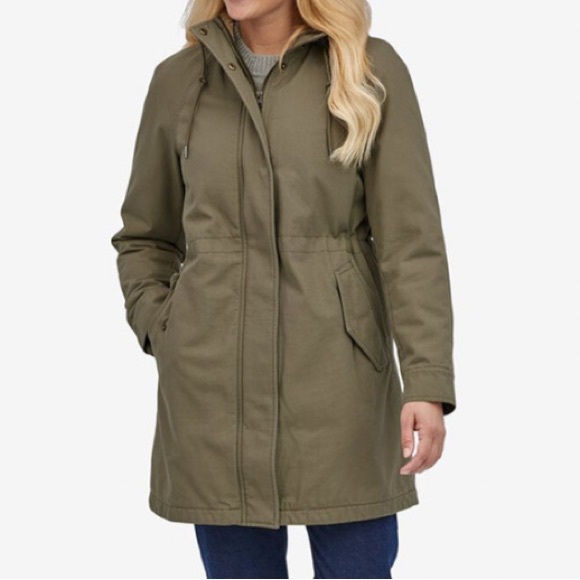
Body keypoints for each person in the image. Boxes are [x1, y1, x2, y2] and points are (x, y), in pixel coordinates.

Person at [110, 0, 457, 577]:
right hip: (212, 391)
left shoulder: (368, 69)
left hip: (340, 382)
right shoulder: (179, 81)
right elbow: (145, 236)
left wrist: (427, 381)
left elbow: (410, 242)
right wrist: (166, 328)